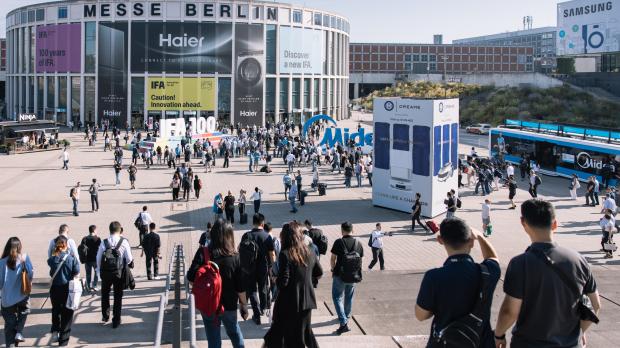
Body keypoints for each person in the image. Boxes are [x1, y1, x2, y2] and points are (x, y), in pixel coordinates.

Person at [494, 199, 601, 348]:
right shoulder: (579, 260)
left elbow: (509, 311)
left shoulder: (520, 263)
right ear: (555, 224)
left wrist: (499, 335)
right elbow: (595, 305)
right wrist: (579, 333)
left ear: (523, 223)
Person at [415, 218, 500, 348]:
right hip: (480, 342)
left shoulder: (434, 276)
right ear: (471, 242)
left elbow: (420, 315)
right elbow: (493, 258)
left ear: (440, 240)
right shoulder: (488, 272)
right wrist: (480, 237)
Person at [187, 219, 248, 348]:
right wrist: (244, 305)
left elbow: (190, 277)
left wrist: (204, 287)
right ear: (230, 235)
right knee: (234, 331)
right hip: (229, 305)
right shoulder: (236, 257)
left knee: (213, 337)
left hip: (209, 305)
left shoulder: (203, 253)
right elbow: (241, 287)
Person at [264, 221, 323, 348]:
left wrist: (275, 278)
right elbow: (319, 272)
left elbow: (283, 282)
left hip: (289, 303)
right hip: (307, 301)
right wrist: (306, 280)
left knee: (291, 336)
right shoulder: (311, 251)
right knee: (305, 332)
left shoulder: (286, 254)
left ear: (286, 237)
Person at [96, 221, 134, 328]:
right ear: (119, 230)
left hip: (106, 273)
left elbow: (98, 258)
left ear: (110, 230)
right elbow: (130, 259)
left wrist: (99, 271)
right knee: (118, 295)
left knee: (105, 293)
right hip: (118, 273)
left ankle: (105, 315)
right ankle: (116, 319)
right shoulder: (124, 242)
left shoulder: (104, 242)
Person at [240, 214, 276, 324]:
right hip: (263, 267)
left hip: (249, 268)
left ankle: (256, 315)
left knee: (252, 290)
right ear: (263, 223)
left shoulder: (246, 235)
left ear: (253, 223)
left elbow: (239, 250)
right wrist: (272, 267)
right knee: (263, 287)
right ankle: (263, 309)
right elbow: (272, 254)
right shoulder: (267, 236)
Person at [330, 222, 364, 334]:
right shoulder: (358, 243)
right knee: (349, 296)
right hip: (353, 275)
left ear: (342, 230)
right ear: (352, 230)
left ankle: (343, 322)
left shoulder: (339, 242)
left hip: (340, 275)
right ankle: (346, 315)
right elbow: (360, 261)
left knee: (337, 297)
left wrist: (333, 269)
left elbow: (332, 259)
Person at [47, 235, 80, 346]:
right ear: (66, 245)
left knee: (56, 310)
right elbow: (76, 272)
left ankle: (55, 330)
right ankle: (63, 340)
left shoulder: (52, 259)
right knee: (67, 313)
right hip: (67, 288)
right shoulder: (71, 258)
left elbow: (51, 267)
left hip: (55, 289)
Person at [0, 237, 33, 346]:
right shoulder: (24, 258)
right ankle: (19, 331)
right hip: (22, 295)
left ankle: (11, 343)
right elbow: (31, 274)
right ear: (19, 246)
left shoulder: (2, 262)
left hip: (7, 299)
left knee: (9, 325)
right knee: (25, 310)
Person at [80, 225, 101, 293]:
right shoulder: (98, 239)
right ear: (94, 230)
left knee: (88, 273)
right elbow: (100, 249)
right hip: (95, 259)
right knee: (96, 273)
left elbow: (81, 249)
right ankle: (94, 285)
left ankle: (88, 286)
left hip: (87, 259)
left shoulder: (84, 239)